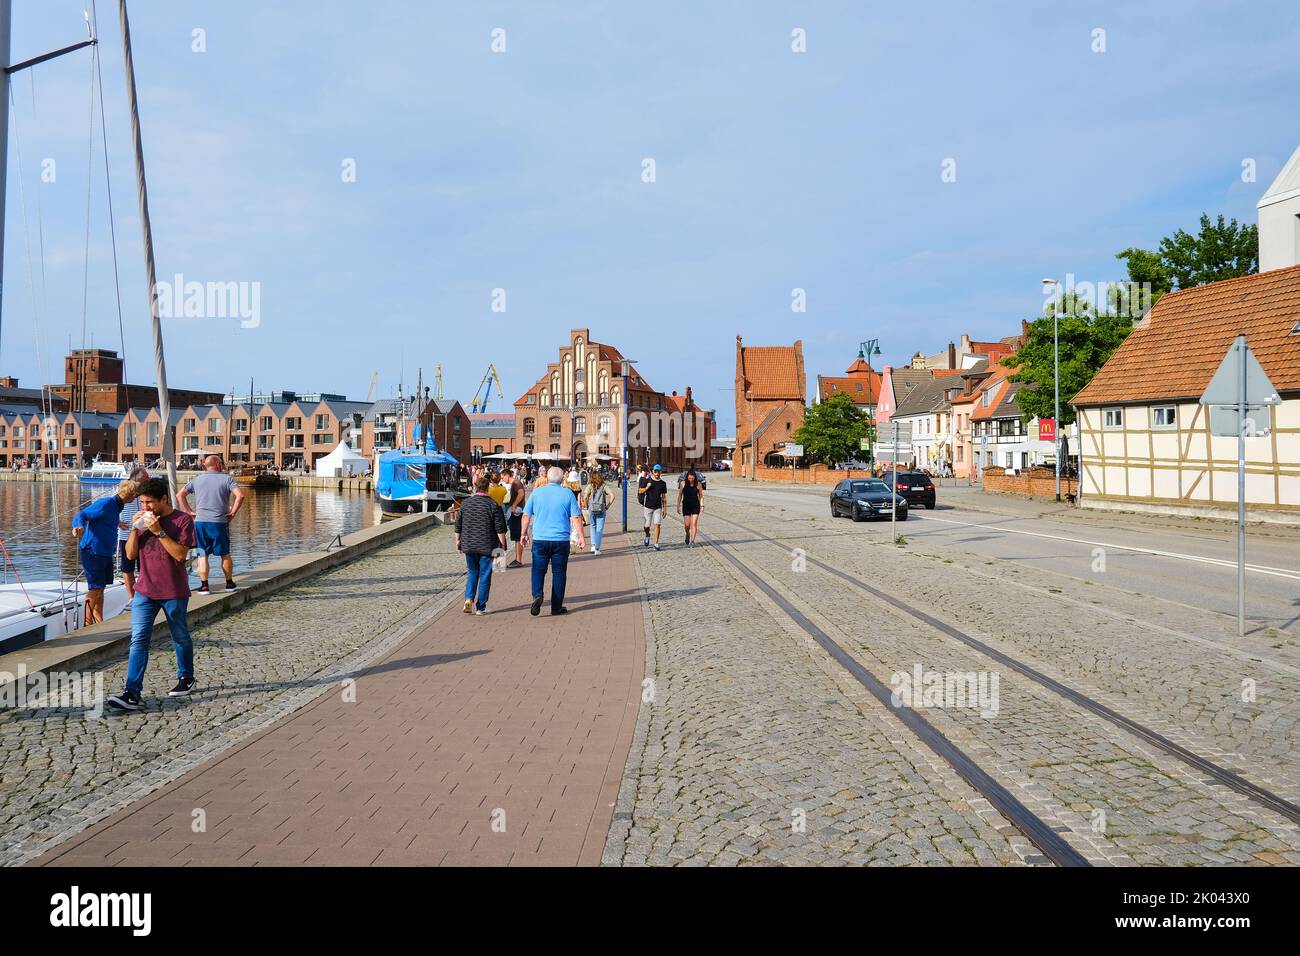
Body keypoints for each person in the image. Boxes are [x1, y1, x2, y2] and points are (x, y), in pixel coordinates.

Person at [106, 477, 198, 712]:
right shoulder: (141, 520)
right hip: (144, 590)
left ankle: (186, 676)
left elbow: (180, 556)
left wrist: (159, 532)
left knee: (179, 636)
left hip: (173, 590)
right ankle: (131, 693)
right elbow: (129, 555)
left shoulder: (182, 521)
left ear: (164, 499)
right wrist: (136, 531)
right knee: (138, 640)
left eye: (149, 502)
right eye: (141, 502)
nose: (144, 507)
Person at [72, 479, 140, 624]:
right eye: (135, 495)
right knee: (95, 588)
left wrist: (116, 523)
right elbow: (81, 514)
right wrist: (79, 526)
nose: (136, 498)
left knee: (101, 588)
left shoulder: (116, 507)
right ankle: (87, 622)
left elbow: (104, 518)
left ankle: (98, 619)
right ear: (129, 495)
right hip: (93, 551)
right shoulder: (107, 503)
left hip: (105, 552)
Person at [521, 466, 584, 616]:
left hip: (540, 539)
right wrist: (580, 536)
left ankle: (538, 595)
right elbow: (576, 517)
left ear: (547, 478)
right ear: (562, 479)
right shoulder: (568, 494)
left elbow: (526, 516)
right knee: (559, 572)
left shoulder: (536, 493)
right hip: (560, 540)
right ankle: (556, 607)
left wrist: (523, 533)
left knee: (538, 569)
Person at [177, 454, 245, 593]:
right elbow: (240, 495)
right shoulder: (227, 479)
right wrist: (233, 513)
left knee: (203, 554)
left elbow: (180, 495)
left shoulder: (197, 480)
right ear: (218, 464)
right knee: (224, 554)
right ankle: (229, 584)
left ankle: (204, 586)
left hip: (200, 522)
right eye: (222, 462)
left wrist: (189, 511)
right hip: (219, 522)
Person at [455, 475, 508, 616]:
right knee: (485, 575)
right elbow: (499, 528)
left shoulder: (465, 503)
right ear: (487, 488)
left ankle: (468, 599)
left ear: (475, 487)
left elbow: (458, 525)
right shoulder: (492, 505)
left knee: (472, 572)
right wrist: (502, 544)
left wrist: (458, 541)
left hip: (468, 544)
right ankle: (481, 607)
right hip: (487, 545)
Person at [116, 467, 152, 599]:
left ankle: (145, 594)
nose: (148, 479)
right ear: (139, 478)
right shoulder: (121, 491)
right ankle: (132, 597)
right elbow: (108, 510)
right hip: (126, 536)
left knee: (144, 567)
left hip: (145, 536)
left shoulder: (146, 492)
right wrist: (116, 522)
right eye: (146, 477)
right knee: (127, 568)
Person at [580, 471, 609, 555]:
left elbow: (585, 497)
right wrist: (607, 506)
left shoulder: (589, 486)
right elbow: (612, 496)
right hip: (601, 509)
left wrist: (586, 506)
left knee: (593, 527)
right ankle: (597, 549)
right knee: (599, 529)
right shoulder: (604, 486)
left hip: (591, 509)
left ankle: (593, 545)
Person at [503, 467, 527, 568]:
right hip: (515, 511)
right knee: (516, 537)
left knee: (517, 536)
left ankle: (518, 559)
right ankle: (517, 559)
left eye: (503, 476)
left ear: (507, 475)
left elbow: (521, 494)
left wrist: (514, 505)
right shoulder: (514, 484)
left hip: (517, 512)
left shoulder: (516, 483)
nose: (502, 479)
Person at [641, 464, 668, 551]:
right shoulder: (648, 480)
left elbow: (663, 497)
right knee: (646, 526)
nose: (657, 473)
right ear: (653, 472)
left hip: (658, 507)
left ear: (661, 472)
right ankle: (647, 535)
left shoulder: (663, 484)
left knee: (657, 524)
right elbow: (640, 491)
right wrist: (647, 487)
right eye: (655, 471)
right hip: (648, 506)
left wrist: (665, 509)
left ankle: (656, 543)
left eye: (658, 471)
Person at [677, 469, 703, 546]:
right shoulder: (683, 483)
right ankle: (687, 534)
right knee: (687, 525)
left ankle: (692, 541)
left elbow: (701, 496)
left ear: (695, 477)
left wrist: (702, 505)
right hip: (686, 506)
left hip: (695, 506)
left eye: (692, 478)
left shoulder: (698, 484)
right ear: (687, 477)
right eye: (689, 478)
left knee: (694, 523)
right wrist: (678, 505)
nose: (691, 480)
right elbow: (680, 495)